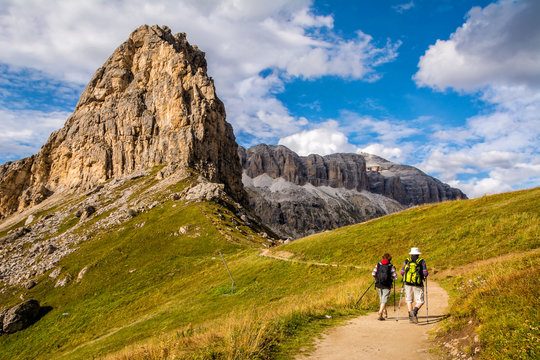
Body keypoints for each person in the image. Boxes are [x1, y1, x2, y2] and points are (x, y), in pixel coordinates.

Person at [401, 247, 428, 324]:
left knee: (409, 300)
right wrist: (424, 276)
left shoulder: (407, 261)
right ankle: (415, 312)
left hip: (407, 283)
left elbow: (402, 272)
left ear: (411, 254)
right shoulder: (422, 261)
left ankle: (410, 317)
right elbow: (425, 273)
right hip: (418, 284)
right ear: (418, 254)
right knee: (420, 301)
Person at [372, 253, 398, 320]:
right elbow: (395, 277)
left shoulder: (378, 264)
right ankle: (380, 312)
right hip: (387, 284)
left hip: (378, 284)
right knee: (384, 298)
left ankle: (384, 311)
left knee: (382, 298)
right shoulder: (391, 266)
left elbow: (373, 274)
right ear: (390, 259)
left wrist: (377, 278)